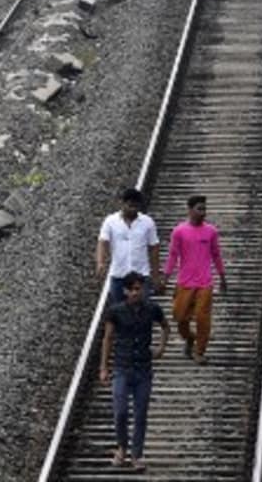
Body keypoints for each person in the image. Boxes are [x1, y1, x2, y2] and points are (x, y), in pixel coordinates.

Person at [99, 271, 170, 471]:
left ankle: (136, 454)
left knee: (141, 414)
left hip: (143, 369)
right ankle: (122, 447)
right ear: (125, 291)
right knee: (120, 412)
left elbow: (165, 327)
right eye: (132, 289)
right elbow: (108, 338)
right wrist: (104, 367)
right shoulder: (116, 311)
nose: (136, 293)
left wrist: (161, 348)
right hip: (121, 368)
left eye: (139, 289)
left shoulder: (152, 309)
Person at [163, 194, 227, 364]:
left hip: (205, 283)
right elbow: (172, 255)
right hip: (184, 282)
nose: (203, 212)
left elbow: (216, 255)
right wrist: (166, 276)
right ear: (190, 210)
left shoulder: (211, 231)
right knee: (180, 317)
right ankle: (190, 338)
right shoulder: (179, 231)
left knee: (202, 318)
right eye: (199, 209)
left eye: (204, 209)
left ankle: (200, 351)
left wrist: (222, 276)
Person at [97, 187, 164, 303]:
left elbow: (154, 247)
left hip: (141, 275)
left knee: (142, 311)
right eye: (130, 205)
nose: (133, 209)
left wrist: (155, 274)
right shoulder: (110, 221)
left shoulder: (147, 222)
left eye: (136, 206)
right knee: (118, 311)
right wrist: (101, 262)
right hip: (119, 274)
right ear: (122, 204)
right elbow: (103, 242)